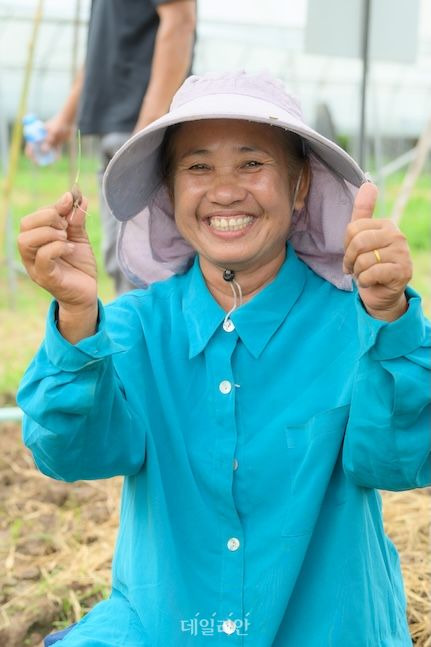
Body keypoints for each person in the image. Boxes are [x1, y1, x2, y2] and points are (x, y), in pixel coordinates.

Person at [17, 71, 430, 646]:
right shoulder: (137, 327)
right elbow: (70, 454)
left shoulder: (355, 323)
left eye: (253, 163)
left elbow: (399, 461)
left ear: (300, 185)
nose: (226, 190)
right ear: (169, 190)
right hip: (168, 625)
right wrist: (77, 314)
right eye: (198, 166)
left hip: (325, 628)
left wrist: (390, 319)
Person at [27, 0, 196, 294]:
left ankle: (148, 339)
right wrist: (64, 121)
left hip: (136, 128)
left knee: (146, 266)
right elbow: (99, 51)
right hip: (116, 133)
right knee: (120, 262)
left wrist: (147, 129)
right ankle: (129, 338)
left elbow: (180, 19)